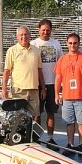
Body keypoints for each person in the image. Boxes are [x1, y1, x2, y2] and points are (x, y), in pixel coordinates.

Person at [54, 32, 82, 156]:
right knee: (69, 122)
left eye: (75, 43)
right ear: (67, 44)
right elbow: (58, 78)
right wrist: (57, 94)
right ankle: (70, 145)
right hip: (67, 96)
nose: (73, 45)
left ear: (79, 44)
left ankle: (81, 145)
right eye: (70, 43)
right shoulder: (62, 59)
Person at [30, 19, 63, 149]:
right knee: (36, 113)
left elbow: (61, 62)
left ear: (51, 30)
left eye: (48, 30)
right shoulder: (33, 44)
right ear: (39, 30)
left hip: (52, 83)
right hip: (37, 84)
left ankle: (50, 139)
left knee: (51, 113)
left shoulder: (56, 43)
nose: (45, 32)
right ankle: (34, 138)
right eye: (43, 30)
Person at [1, 25, 46, 117]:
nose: (24, 37)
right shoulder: (12, 50)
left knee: (35, 116)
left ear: (29, 36)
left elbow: (39, 70)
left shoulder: (36, 51)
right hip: (18, 90)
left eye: (26, 34)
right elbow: (7, 71)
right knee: (18, 117)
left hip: (34, 89)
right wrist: (4, 89)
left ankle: (31, 132)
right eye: (21, 35)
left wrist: (43, 88)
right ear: (17, 36)